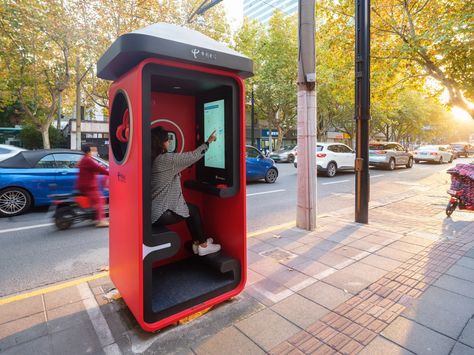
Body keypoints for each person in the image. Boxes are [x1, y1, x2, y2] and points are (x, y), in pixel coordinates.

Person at [151, 126, 221, 256]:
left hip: (154, 211)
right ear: (161, 142)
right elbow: (192, 156)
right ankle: (203, 245)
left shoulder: (155, 159)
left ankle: (198, 243)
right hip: (160, 213)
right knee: (193, 211)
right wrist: (208, 142)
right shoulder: (166, 159)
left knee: (189, 209)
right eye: (167, 140)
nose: (169, 143)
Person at [76, 145, 109, 228]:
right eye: (92, 151)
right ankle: (101, 221)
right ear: (89, 151)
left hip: (83, 185)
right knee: (99, 200)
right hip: (88, 186)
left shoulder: (83, 159)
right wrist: (109, 172)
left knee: (95, 200)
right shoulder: (87, 160)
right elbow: (98, 168)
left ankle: (93, 215)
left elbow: (93, 169)